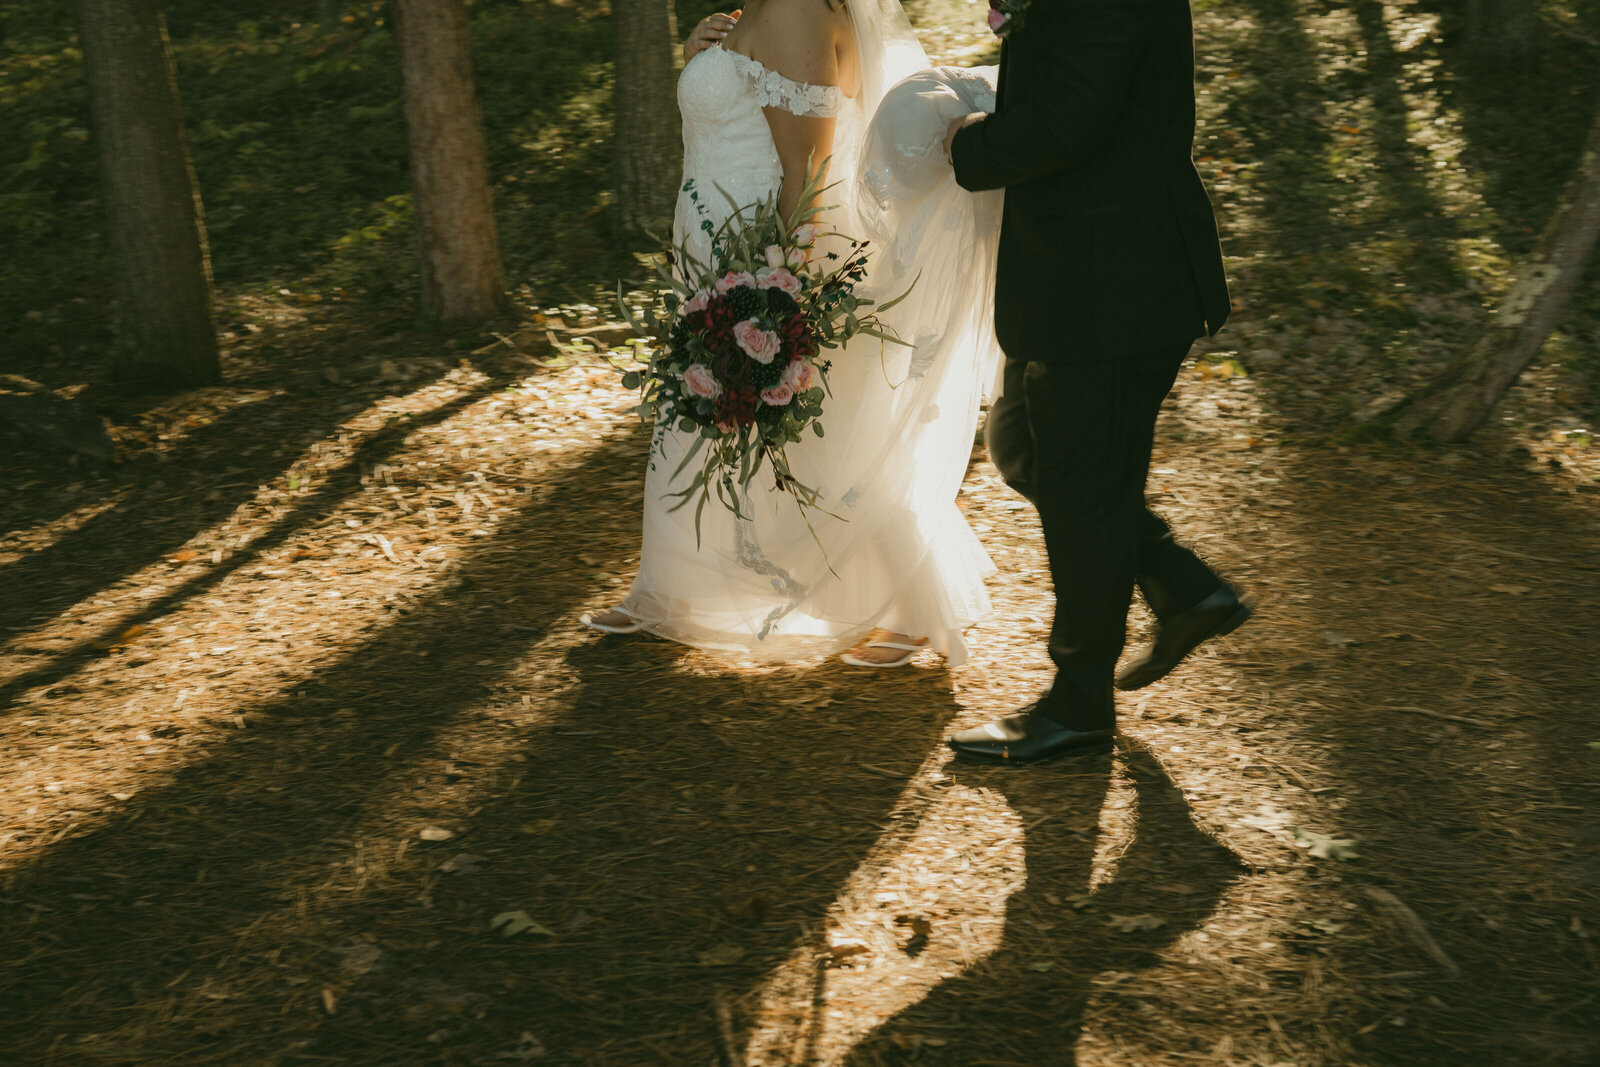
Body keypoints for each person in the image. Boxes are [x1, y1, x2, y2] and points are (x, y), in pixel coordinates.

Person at [581, 0, 1005, 669]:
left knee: (824, 440)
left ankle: (911, 608)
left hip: (760, 251)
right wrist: (704, 57)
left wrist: (778, 287)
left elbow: (805, 165)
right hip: (712, 236)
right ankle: (669, 589)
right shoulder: (765, 7)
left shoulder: (799, 8)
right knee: (693, 416)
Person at [941, 0, 1250, 762]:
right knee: (1023, 449)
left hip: (1115, 285)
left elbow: (1067, 120)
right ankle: (1180, 585)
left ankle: (1079, 705)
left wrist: (966, 146)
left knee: (1084, 493)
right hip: (1074, 284)